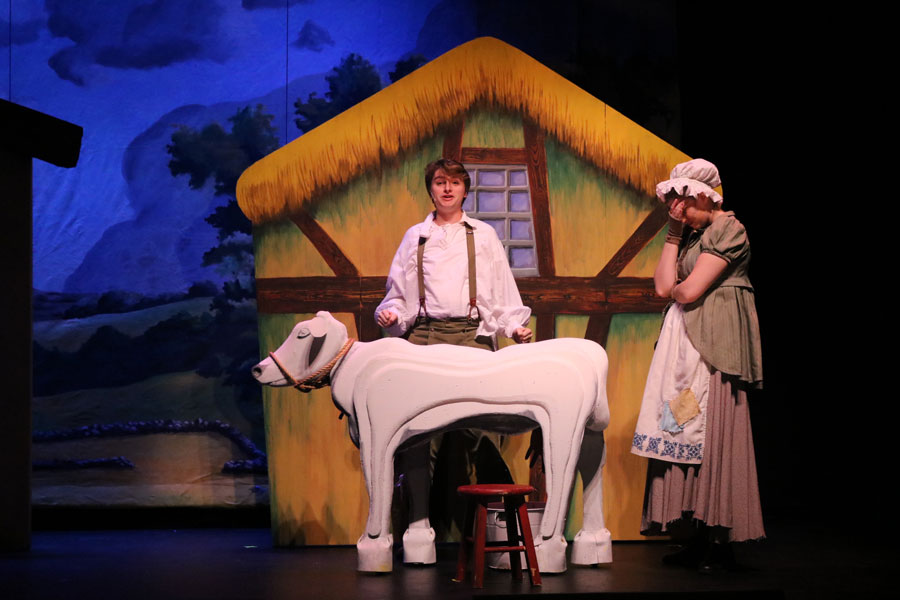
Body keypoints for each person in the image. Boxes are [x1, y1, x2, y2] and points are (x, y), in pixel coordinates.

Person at [376, 157, 533, 543]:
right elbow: (399, 292)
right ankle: (417, 528)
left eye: (455, 183)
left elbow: (500, 287)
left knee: (480, 430)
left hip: (471, 337)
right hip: (426, 337)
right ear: (430, 189)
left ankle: (495, 532)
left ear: (465, 189)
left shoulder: (482, 234)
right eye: (440, 182)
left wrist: (513, 325)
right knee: (417, 435)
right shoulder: (416, 236)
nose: (447, 189)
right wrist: (392, 314)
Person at [630, 158, 764, 573]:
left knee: (715, 435)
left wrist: (679, 288)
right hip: (684, 351)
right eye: (673, 202)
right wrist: (672, 234)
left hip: (714, 345)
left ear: (705, 195)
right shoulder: (690, 236)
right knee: (682, 429)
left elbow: (686, 290)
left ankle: (720, 538)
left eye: (683, 201)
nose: (678, 209)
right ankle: (695, 533)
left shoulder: (729, 229)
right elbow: (662, 286)